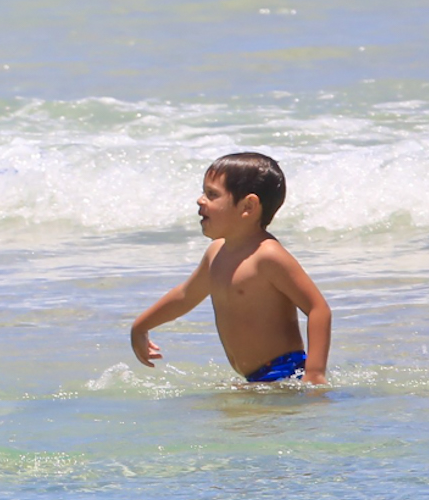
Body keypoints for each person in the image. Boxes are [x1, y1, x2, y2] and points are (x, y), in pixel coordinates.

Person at [130, 152, 332, 385]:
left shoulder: (267, 256)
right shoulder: (216, 253)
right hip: (256, 379)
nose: (200, 200)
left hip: (285, 373)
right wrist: (141, 326)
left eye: (212, 194)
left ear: (248, 206)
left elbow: (318, 309)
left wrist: (315, 373)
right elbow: (185, 296)